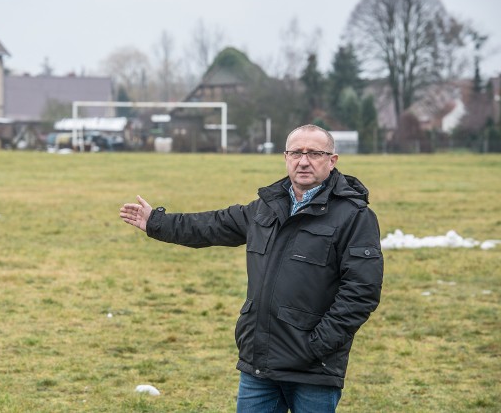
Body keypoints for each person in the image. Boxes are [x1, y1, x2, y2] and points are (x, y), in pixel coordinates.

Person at [119, 124, 384, 413]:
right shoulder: (266, 208)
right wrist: (157, 222)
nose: (303, 161)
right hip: (260, 362)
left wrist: (318, 346)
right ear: (285, 157)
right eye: (296, 152)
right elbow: (212, 226)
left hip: (314, 369)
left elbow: (362, 291)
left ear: (332, 160)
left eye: (315, 153)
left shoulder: (355, 216)